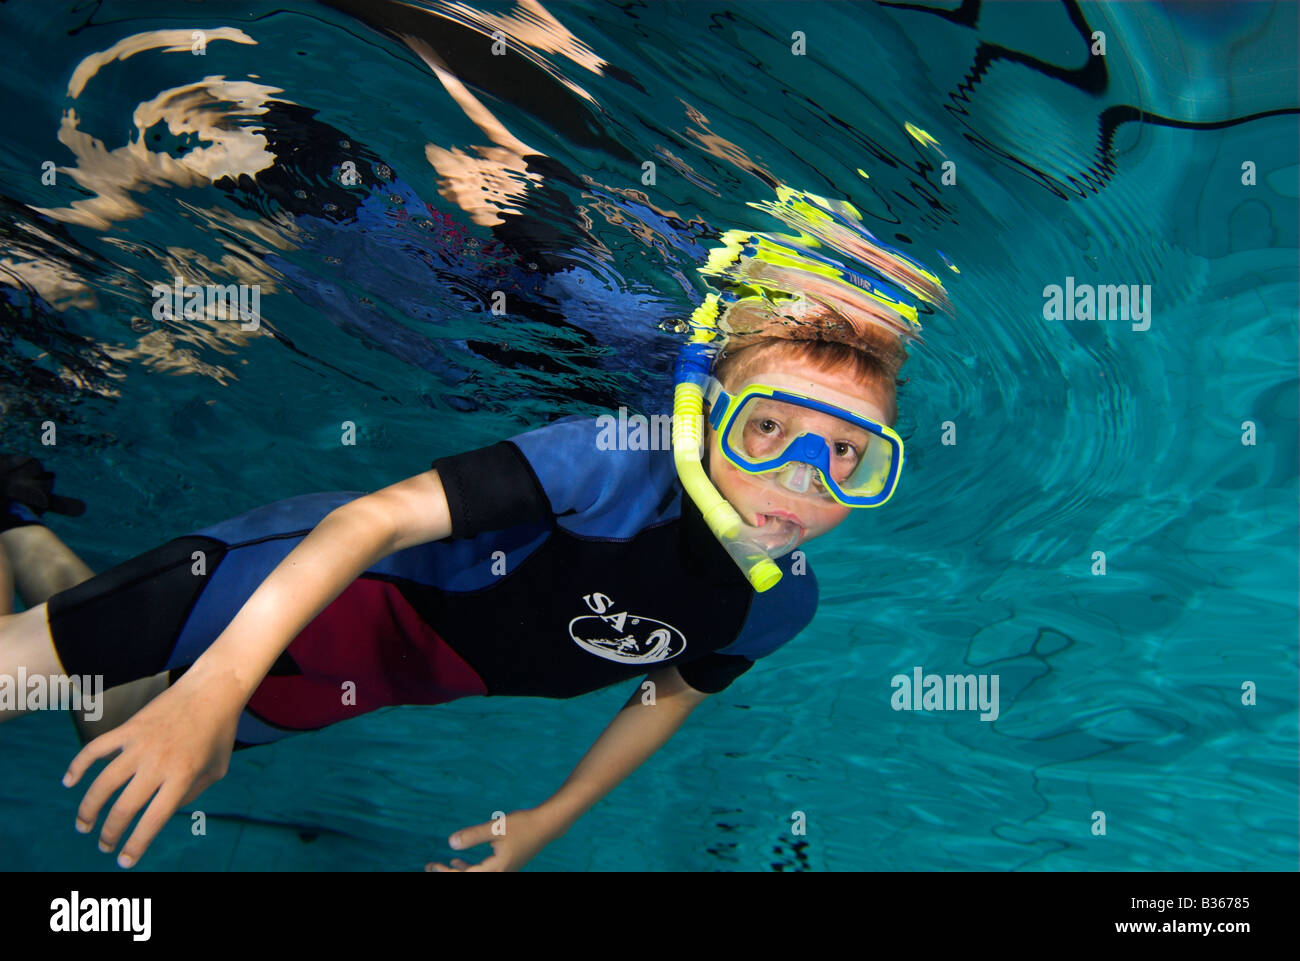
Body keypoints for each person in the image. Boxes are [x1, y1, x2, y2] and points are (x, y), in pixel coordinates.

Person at [0, 190, 945, 871]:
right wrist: (213, 689)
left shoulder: (780, 609)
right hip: (253, 598)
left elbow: (668, 695)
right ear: (704, 417)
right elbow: (370, 521)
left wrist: (554, 815)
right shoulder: (614, 459)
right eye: (768, 429)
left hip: (327, 689)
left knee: (105, 714)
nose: (797, 478)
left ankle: (14, 515)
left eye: (847, 455)